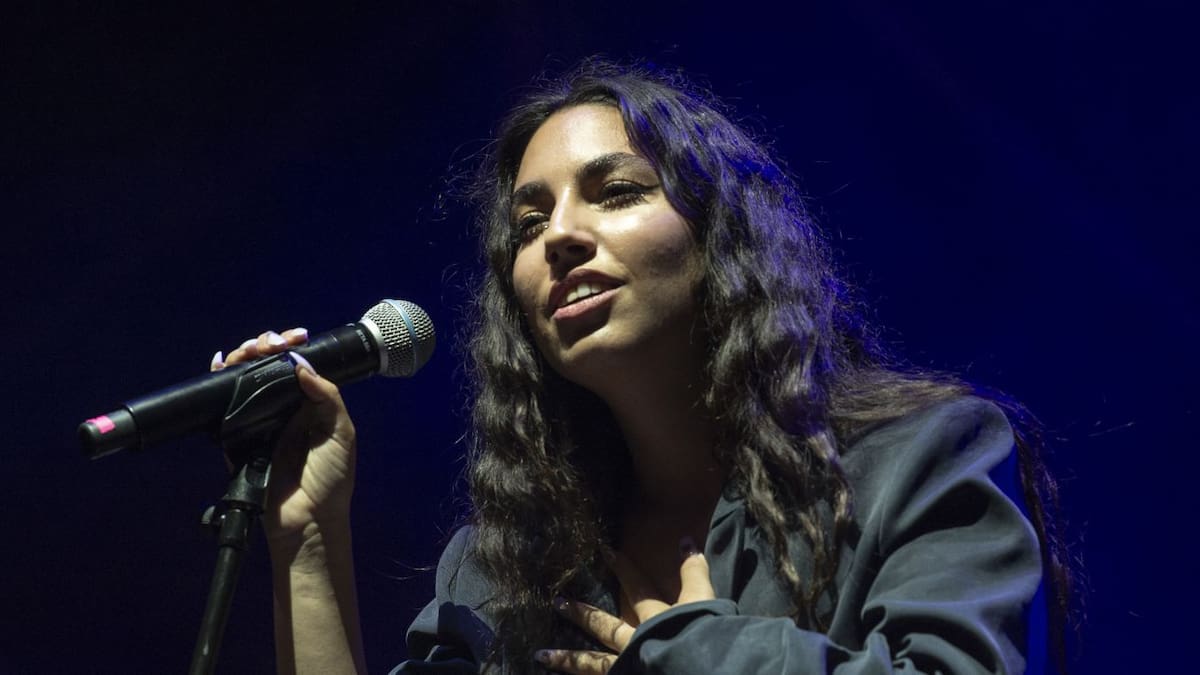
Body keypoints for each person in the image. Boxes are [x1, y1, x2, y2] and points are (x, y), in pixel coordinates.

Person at [212, 62, 1070, 674]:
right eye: (529, 224)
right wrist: (308, 539)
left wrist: (696, 650)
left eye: (616, 191)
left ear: (722, 237)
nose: (560, 235)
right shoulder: (505, 561)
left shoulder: (920, 459)